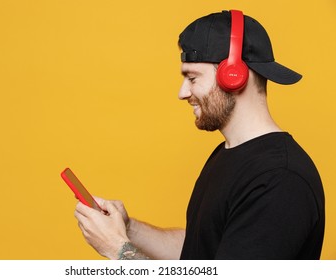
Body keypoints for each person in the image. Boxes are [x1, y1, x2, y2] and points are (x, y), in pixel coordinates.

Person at [74, 10, 325, 260]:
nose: (182, 93)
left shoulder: (280, 181)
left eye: (192, 78)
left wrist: (118, 249)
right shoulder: (228, 154)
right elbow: (200, 251)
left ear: (234, 76)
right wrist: (129, 228)